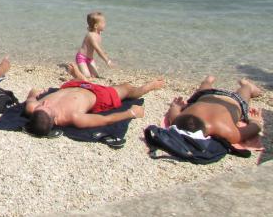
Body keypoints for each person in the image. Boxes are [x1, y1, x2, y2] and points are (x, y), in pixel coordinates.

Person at [23, 63, 164, 136]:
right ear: (55, 120)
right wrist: (131, 113)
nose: (45, 102)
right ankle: (148, 87)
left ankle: (81, 79)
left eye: (41, 105)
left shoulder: (32, 108)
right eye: (48, 107)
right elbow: (106, 120)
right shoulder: (74, 117)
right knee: (127, 88)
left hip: (71, 86)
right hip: (99, 96)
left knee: (77, 83)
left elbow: (30, 99)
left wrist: (33, 93)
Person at [164, 75, 263, 145]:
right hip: (207, 95)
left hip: (234, 100)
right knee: (202, 90)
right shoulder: (177, 120)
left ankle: (247, 87)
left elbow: (255, 128)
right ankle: (208, 81)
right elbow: (174, 111)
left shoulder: (226, 132)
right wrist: (177, 106)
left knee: (244, 95)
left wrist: (254, 121)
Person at [75, 11, 113, 78]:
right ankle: (74, 71)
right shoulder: (91, 36)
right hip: (81, 57)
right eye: (103, 23)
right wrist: (107, 60)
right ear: (96, 26)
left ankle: (83, 68)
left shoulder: (98, 33)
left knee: (95, 76)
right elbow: (98, 50)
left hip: (90, 59)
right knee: (87, 76)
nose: (105, 24)